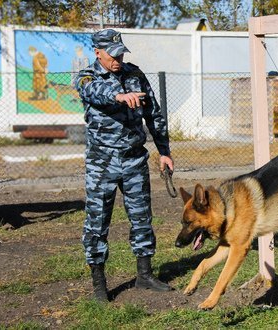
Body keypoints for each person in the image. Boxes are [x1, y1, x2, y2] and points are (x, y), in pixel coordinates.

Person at [74, 29, 173, 302]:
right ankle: (99, 285)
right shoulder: (87, 77)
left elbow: (153, 113)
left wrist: (164, 151)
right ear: (98, 53)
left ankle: (145, 275)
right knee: (97, 223)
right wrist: (118, 96)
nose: (118, 59)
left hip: (134, 158)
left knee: (142, 218)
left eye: (121, 53)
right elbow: (94, 91)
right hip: (102, 162)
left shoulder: (134, 74)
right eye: (112, 54)